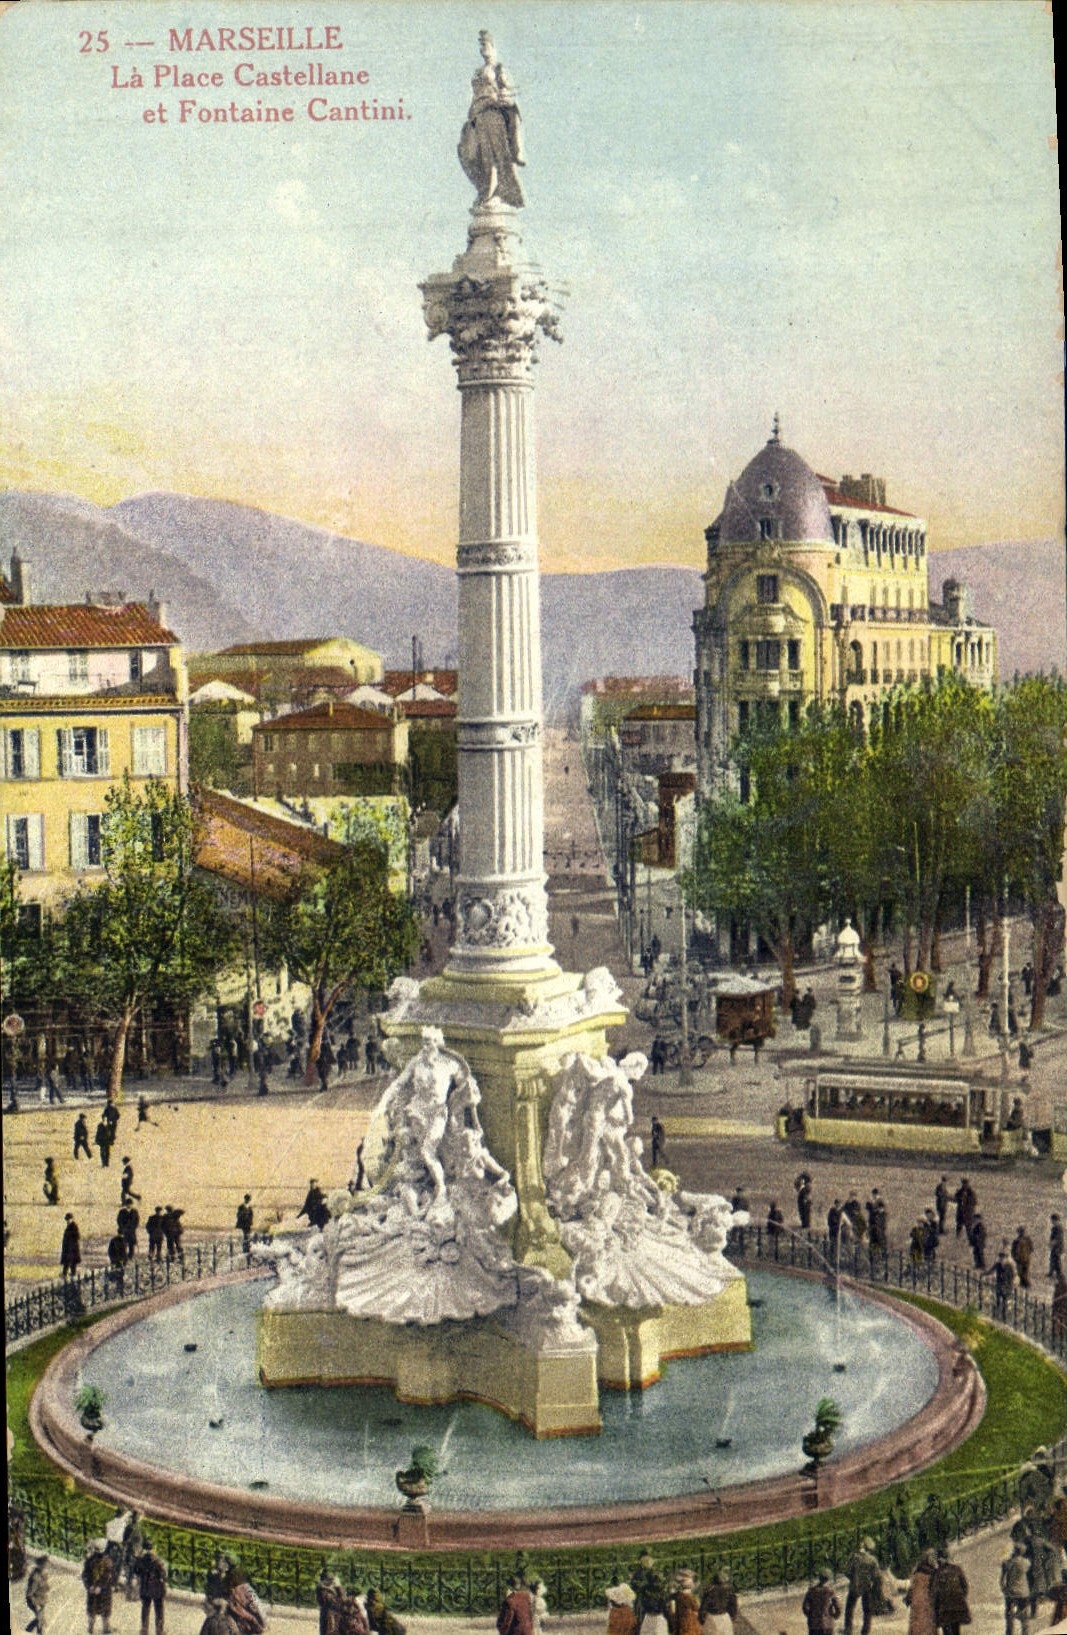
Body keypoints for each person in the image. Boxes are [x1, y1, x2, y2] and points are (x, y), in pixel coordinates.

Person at [457, 30, 525, 208]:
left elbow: (511, 94)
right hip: (477, 116)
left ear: (493, 47)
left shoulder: (499, 69)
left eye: (485, 44)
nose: (483, 49)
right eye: (481, 45)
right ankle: (484, 189)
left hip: (493, 115)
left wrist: (505, 99)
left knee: (493, 155)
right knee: (471, 154)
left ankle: (494, 192)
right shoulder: (478, 72)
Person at [843, 1537, 881, 1635]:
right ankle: (865, 1631)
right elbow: (876, 1575)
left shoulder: (854, 1557)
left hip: (854, 1585)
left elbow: (846, 1571)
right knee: (867, 1610)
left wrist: (852, 1578)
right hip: (867, 1587)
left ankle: (848, 1629)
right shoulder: (872, 1560)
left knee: (849, 1608)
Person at [930, 1552, 969, 1635]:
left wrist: (935, 1607)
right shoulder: (957, 1569)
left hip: (945, 1608)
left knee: (947, 1631)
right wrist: (960, 1598)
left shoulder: (937, 1573)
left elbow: (934, 1592)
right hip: (957, 1606)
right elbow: (964, 1587)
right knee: (956, 1630)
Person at [83, 1537, 115, 1635]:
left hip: (92, 1590)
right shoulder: (108, 1562)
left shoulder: (89, 1560)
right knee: (105, 1611)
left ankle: (91, 1628)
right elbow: (108, 1577)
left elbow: (85, 1575)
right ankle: (106, 1628)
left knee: (92, 1610)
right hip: (104, 1591)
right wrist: (100, 1586)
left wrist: (89, 1586)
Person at [137, 1536, 167, 1635]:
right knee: (159, 1610)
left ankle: (144, 1629)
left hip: (145, 1588)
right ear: (153, 1548)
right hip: (157, 1589)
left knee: (145, 1609)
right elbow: (163, 1574)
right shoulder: (158, 1561)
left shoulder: (141, 1560)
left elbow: (136, 1571)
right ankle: (159, 1631)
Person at [1000, 1542, 1031, 1635]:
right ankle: (1025, 1633)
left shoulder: (1007, 1563)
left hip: (1011, 1593)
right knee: (1024, 1616)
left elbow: (1002, 1580)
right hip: (1023, 1593)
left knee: (1009, 1616)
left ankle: (1009, 1632)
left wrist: (1004, 1589)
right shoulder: (1026, 1563)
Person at [696, 1570, 737, 1634]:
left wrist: (701, 1619)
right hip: (725, 1617)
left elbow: (704, 1606)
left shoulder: (709, 1590)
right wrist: (733, 1616)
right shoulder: (729, 1590)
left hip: (712, 1618)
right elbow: (733, 1605)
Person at [801, 1570, 840, 1635]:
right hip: (828, 1624)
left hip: (814, 1625)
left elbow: (805, 1607)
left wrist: (811, 1616)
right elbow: (838, 1606)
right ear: (829, 1579)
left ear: (819, 1578)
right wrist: (835, 1616)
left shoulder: (811, 1591)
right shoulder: (830, 1592)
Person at [26, 1553, 50, 1635]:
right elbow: (29, 1594)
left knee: (40, 1619)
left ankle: (27, 1630)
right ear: (41, 1565)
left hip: (42, 1600)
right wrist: (36, 1605)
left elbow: (46, 1586)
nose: (47, 1566)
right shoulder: (35, 1577)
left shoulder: (43, 1574)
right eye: (45, 1565)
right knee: (40, 1621)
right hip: (35, 1602)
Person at [317, 1567, 346, 1635]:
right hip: (329, 1618)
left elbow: (344, 1600)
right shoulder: (322, 1589)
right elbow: (335, 1602)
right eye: (330, 1579)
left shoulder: (333, 1588)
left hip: (335, 1617)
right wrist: (338, 1587)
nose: (332, 1581)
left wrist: (338, 1587)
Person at [994, 1247, 1016, 1320]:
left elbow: (1012, 1276)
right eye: (1001, 1257)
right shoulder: (998, 1265)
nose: (1002, 1259)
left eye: (1003, 1258)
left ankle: (1004, 1317)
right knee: (998, 1301)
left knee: (1005, 1302)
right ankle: (997, 1314)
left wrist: (1011, 1284)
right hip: (999, 1285)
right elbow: (991, 1270)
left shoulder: (1009, 1267)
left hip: (1006, 1287)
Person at [61, 1212, 81, 1279]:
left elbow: (77, 1237)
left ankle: (71, 1275)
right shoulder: (69, 1226)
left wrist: (71, 1244)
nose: (68, 1221)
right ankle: (65, 1274)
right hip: (68, 1249)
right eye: (67, 1220)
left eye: (69, 1219)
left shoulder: (74, 1227)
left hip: (72, 1249)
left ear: (72, 1219)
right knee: (67, 1263)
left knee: (72, 1263)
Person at [1049, 1214, 1065, 1279]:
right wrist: (1051, 1243)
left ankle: (1060, 1274)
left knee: (1057, 1260)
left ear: (1056, 1220)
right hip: (1054, 1247)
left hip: (1058, 1247)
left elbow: (1058, 1238)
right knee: (1052, 1259)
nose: (1051, 1222)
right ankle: (1051, 1272)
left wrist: (1053, 1242)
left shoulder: (1059, 1228)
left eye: (1052, 1220)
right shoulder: (1054, 1228)